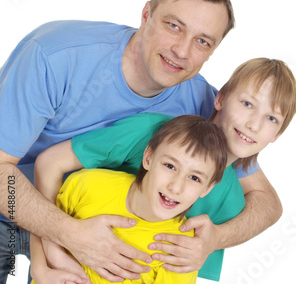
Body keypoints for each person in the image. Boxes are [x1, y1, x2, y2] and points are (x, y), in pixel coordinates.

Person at [0, 0, 282, 283]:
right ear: (146, 14)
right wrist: (62, 238)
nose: (182, 51)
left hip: (97, 229)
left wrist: (215, 239)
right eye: (174, 26)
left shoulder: (204, 106)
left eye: (202, 41)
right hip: (11, 208)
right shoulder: (54, 57)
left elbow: (266, 201)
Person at [30, 57, 296, 283]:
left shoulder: (229, 196)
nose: (254, 124)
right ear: (221, 98)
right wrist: (45, 262)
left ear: (278, 134)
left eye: (271, 118)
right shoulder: (153, 132)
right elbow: (50, 164)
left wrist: (216, 239)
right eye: (247, 104)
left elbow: (270, 205)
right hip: (38, 229)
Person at [31, 115, 228, 284]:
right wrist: (40, 271)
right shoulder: (87, 185)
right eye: (169, 166)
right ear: (148, 157)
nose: (176, 187)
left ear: (207, 188)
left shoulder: (181, 249)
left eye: (194, 178)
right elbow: (43, 224)